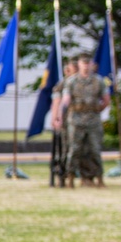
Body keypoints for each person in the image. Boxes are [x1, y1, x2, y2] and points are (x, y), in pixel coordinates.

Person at [61, 51, 107, 186]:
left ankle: (99, 178)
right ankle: (70, 178)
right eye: (83, 63)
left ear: (92, 64)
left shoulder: (98, 81)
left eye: (88, 63)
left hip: (93, 120)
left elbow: (105, 100)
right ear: (79, 64)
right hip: (76, 120)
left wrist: (96, 110)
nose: (86, 66)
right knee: (74, 150)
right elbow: (66, 101)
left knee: (95, 150)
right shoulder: (71, 81)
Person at [50, 59, 76, 187]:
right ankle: (62, 175)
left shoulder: (80, 82)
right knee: (64, 149)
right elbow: (56, 102)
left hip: (79, 121)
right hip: (65, 122)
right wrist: (55, 118)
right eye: (68, 69)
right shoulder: (62, 84)